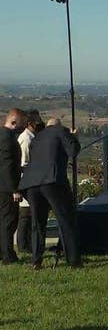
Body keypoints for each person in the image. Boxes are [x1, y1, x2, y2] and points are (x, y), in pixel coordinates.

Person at [19, 118, 82, 269]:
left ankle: (36, 260)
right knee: (65, 219)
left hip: (31, 184)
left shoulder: (37, 137)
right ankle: (73, 260)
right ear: (58, 125)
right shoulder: (61, 131)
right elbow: (73, 151)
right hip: (52, 181)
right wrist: (73, 138)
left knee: (38, 223)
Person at [16, 110, 45, 253]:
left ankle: (27, 243)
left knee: (29, 214)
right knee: (25, 215)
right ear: (29, 124)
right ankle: (23, 245)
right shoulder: (26, 140)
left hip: (31, 179)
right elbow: (23, 163)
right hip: (27, 180)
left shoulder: (32, 137)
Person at [0, 108, 26, 264]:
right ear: (14, 122)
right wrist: (14, 189)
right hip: (6, 188)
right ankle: (8, 256)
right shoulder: (8, 138)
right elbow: (7, 165)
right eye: (21, 124)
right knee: (9, 222)